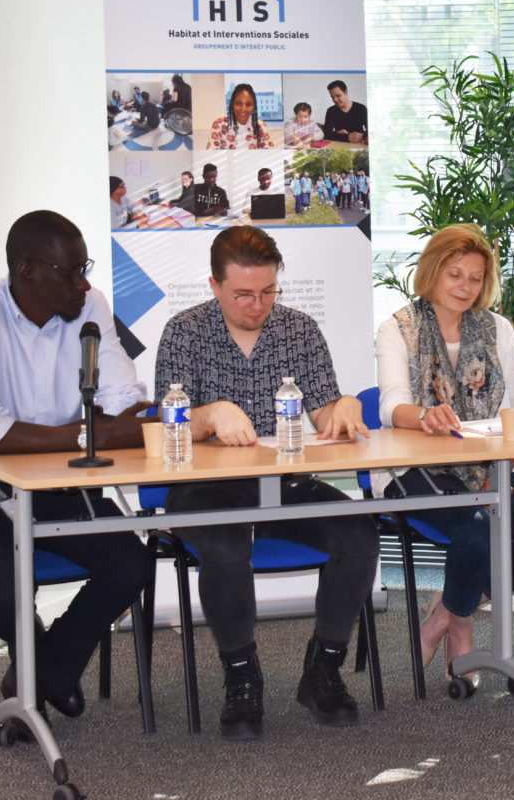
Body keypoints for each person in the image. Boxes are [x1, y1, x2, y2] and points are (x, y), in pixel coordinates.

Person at [154, 226, 380, 739]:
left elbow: (324, 411)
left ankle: (323, 667)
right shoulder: (184, 332)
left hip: (287, 481)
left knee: (359, 535)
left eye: (268, 292)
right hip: (204, 486)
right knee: (226, 542)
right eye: (243, 295)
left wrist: (342, 408)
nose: (258, 305)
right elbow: (166, 426)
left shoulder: (299, 329)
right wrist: (208, 415)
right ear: (214, 285)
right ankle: (241, 675)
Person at [0, 211, 154, 733]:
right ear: (26, 270)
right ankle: (46, 674)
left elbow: (128, 408)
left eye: (85, 268)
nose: (83, 282)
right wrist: (85, 432)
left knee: (132, 563)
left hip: (63, 484)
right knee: (6, 590)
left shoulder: (88, 306)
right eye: (70, 270)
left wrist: (80, 435)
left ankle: (41, 674)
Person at [375, 224, 514, 682]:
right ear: (432, 272)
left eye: (475, 278)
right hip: (414, 465)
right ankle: (462, 631)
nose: (465, 286)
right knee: (475, 531)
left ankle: (447, 613)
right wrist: (425, 415)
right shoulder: (399, 328)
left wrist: (503, 469)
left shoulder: (498, 329)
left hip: (488, 459)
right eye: (455, 274)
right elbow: (391, 406)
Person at [207, 82, 274, 149]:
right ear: (232, 104)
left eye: (248, 104)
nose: (243, 109)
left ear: (253, 107)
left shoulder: (260, 125)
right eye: (239, 103)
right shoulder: (219, 124)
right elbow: (211, 155)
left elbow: (270, 154)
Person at [322, 80, 368, 144]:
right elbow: (326, 135)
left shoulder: (361, 108)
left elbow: (370, 131)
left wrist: (357, 136)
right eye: (332, 97)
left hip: (359, 144)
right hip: (339, 145)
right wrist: (347, 137)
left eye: (338, 95)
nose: (335, 100)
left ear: (346, 92)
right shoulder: (331, 111)